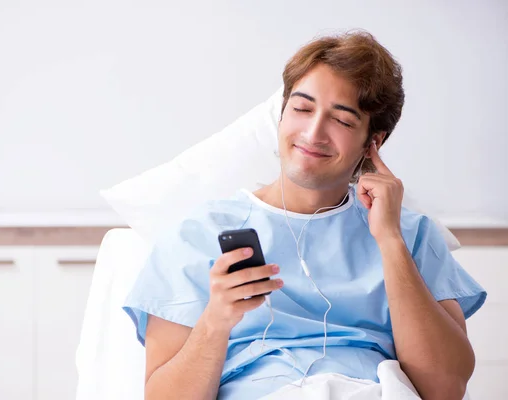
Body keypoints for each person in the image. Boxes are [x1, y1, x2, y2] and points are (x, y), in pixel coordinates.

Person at [123, 30, 486, 400]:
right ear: (281, 116)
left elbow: (444, 389)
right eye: (301, 108)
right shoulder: (197, 236)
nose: (313, 133)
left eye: (342, 120)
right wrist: (217, 320)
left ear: (372, 142)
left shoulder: (411, 235)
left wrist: (390, 241)